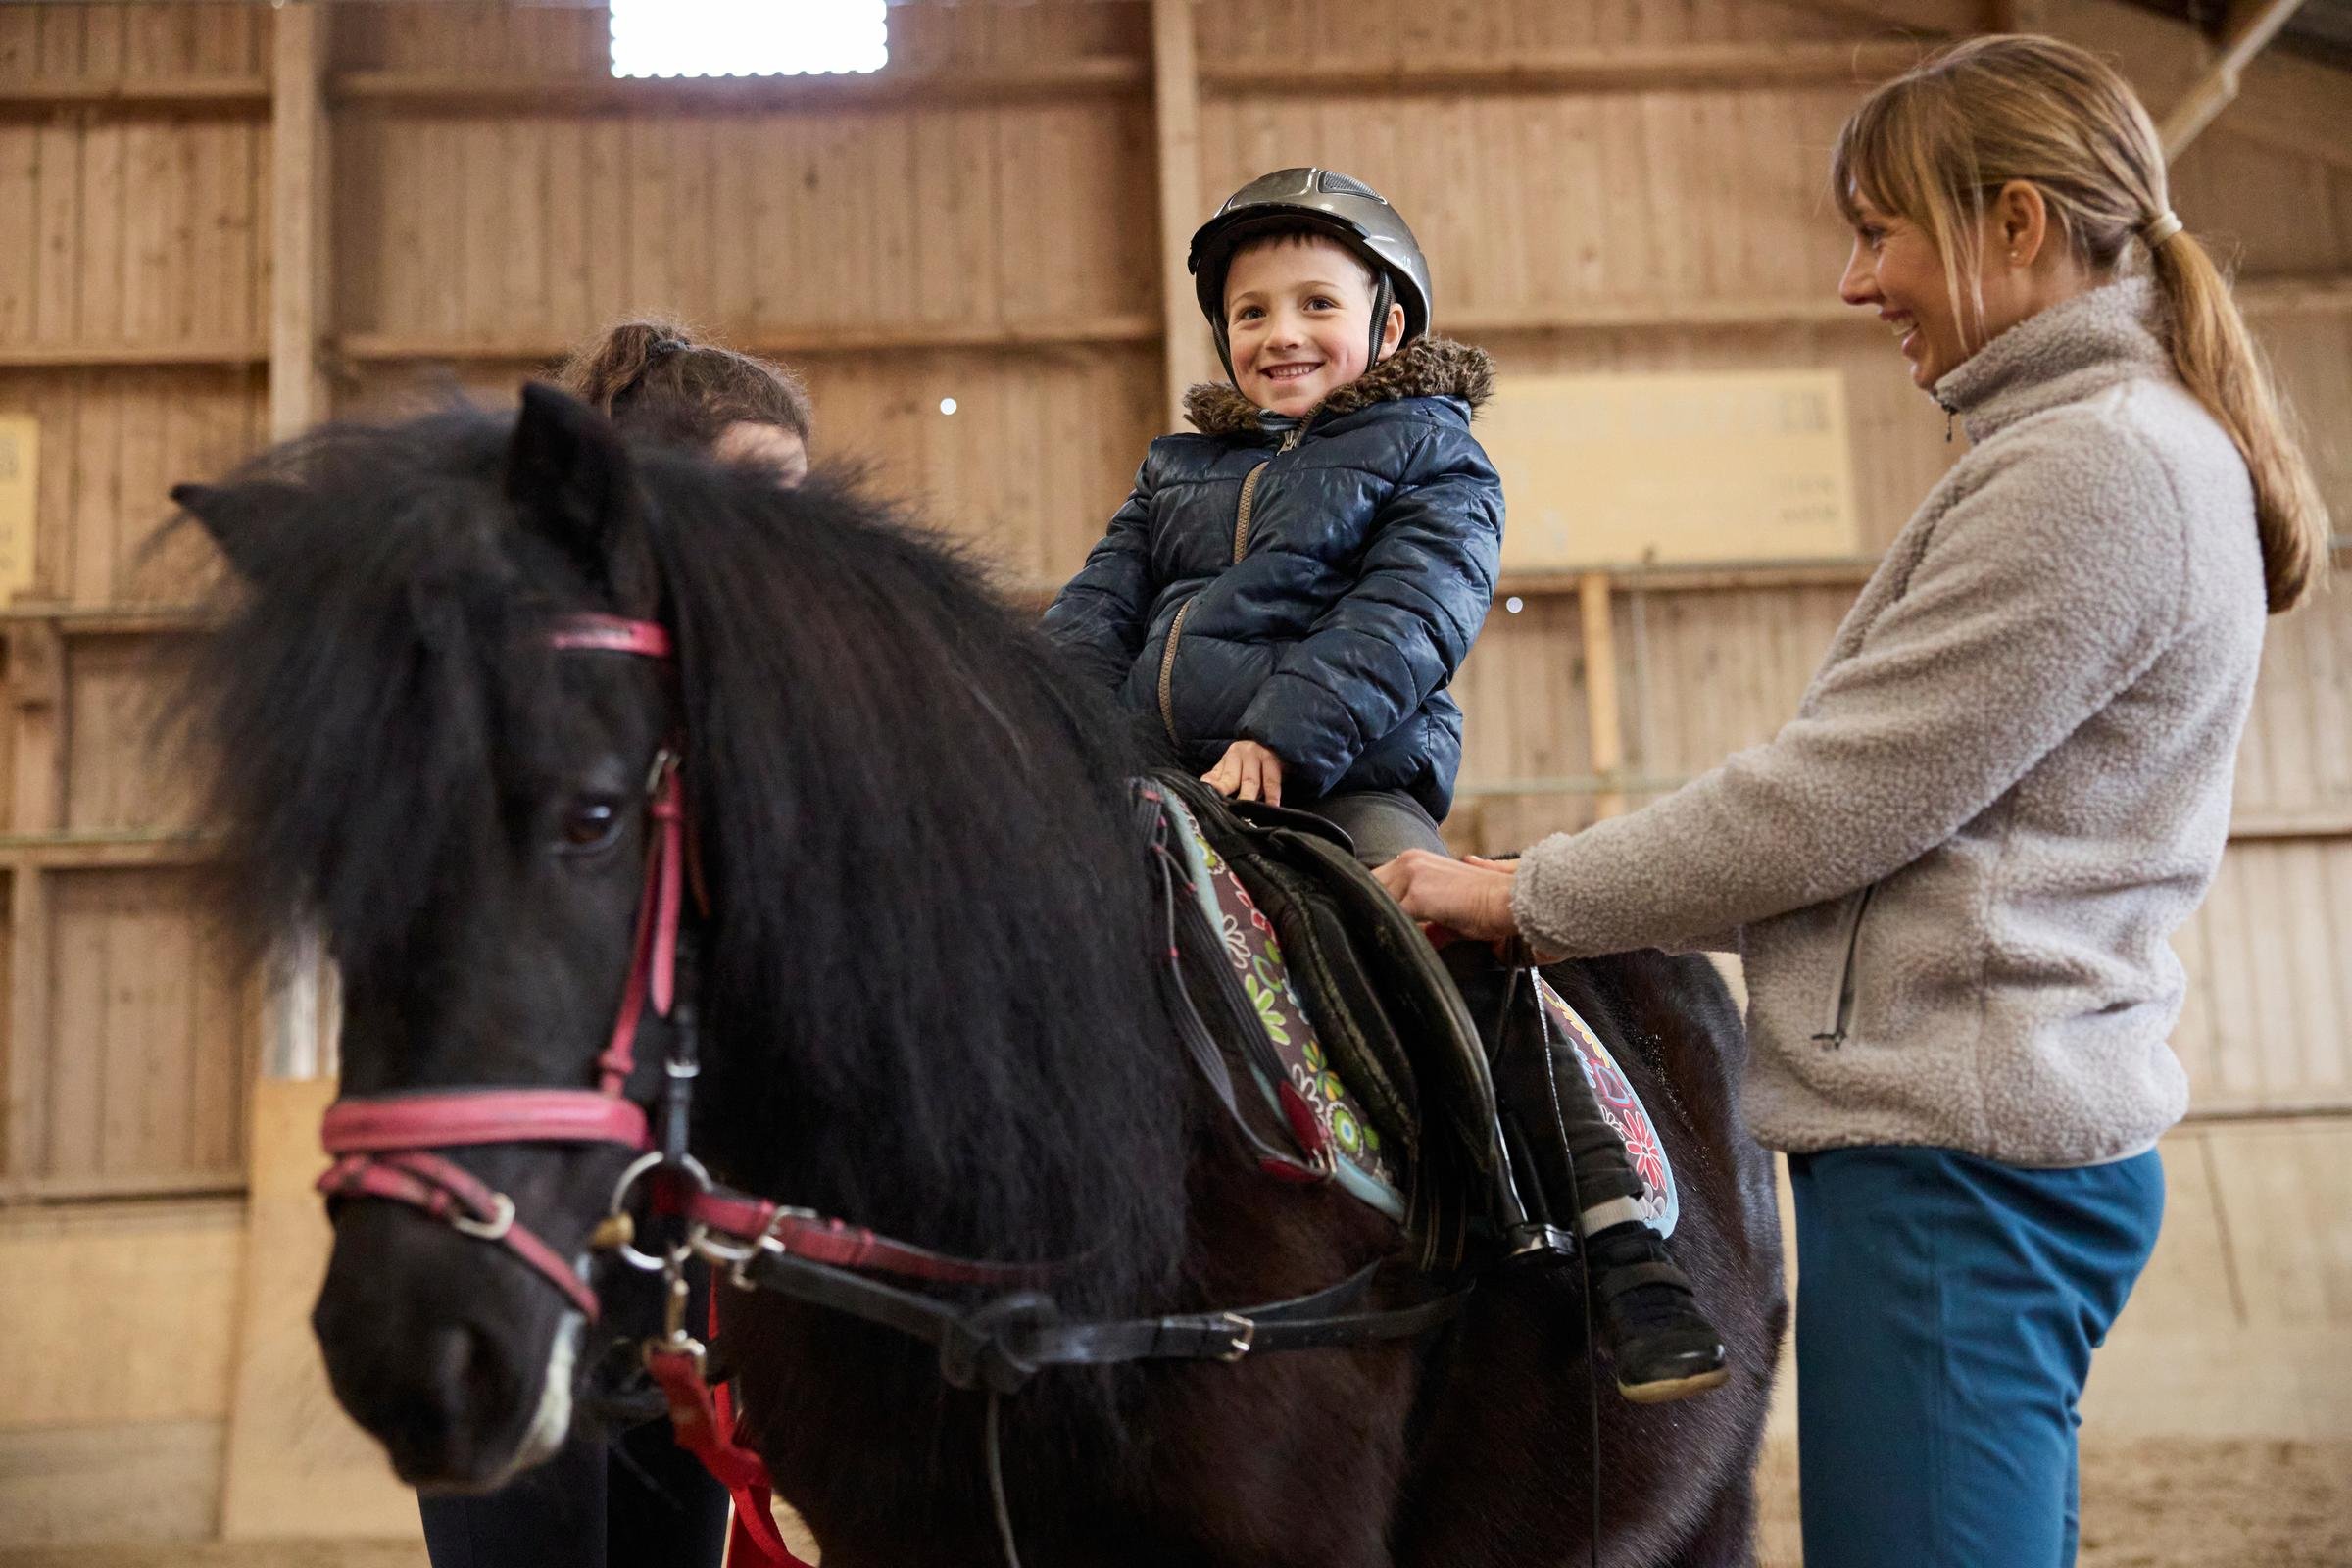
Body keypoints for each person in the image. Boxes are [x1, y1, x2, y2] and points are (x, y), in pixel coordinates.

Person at [1375, 35, 2328, 1568]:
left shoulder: (2097, 469)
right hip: (1982, 1133)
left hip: (1960, 1161)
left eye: (1880, 231)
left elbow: (1834, 803)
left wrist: (1518, 896)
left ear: (2016, 224)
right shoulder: (2098, 449)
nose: (1854, 281)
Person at [1042, 169, 1731, 1402]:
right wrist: (1053, 733)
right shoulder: (1176, 471)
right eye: (1252, 313)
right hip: (1157, 781)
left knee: (1440, 933)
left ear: (1388, 325)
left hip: (1343, 775)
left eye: (1315, 303)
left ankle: (1619, 1243)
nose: (1281, 335)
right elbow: (1097, 613)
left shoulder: (1436, 456)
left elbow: (1411, 614)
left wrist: (1283, 736)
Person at [416, 318, 814, 1568]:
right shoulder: (518, 680)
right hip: (514, 1235)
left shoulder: (751, 699)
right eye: (758, 495)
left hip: (675, 1248)